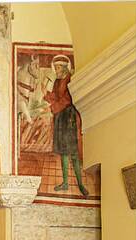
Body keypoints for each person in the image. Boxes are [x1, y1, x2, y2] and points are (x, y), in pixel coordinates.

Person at [43, 55, 87, 196]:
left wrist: (51, 107)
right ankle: (65, 182)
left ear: (64, 67)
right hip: (60, 118)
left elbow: (67, 100)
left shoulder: (69, 79)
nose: (56, 70)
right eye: (55, 68)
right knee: (63, 152)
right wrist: (46, 94)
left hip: (69, 117)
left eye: (58, 67)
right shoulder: (57, 81)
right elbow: (56, 97)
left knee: (73, 151)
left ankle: (80, 184)